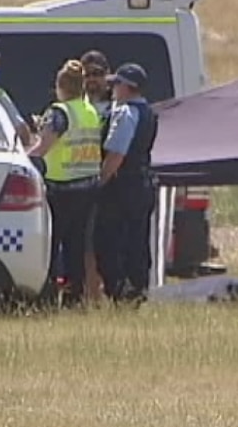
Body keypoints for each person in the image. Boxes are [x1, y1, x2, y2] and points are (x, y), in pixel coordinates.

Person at [26, 59, 102, 307]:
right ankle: (75, 298)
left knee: (51, 243)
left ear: (60, 87)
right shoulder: (90, 111)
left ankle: (46, 298)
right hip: (87, 188)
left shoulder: (59, 113)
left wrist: (21, 157)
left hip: (61, 189)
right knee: (76, 246)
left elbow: (43, 147)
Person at [95, 63, 159, 303]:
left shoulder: (125, 113)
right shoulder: (149, 112)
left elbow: (116, 155)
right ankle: (138, 288)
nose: (113, 89)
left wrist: (100, 182)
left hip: (122, 188)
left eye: (116, 84)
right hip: (143, 184)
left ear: (127, 87)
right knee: (137, 241)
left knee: (111, 241)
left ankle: (121, 291)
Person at [79, 49, 114, 301]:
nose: (92, 80)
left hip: (111, 185)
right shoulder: (75, 106)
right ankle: (91, 296)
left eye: (98, 74)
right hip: (82, 184)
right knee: (87, 245)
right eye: (87, 75)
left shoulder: (116, 108)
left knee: (108, 243)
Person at [80, 50, 113, 118]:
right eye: (87, 75)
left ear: (107, 74)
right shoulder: (74, 109)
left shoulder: (121, 108)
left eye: (96, 74)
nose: (91, 79)